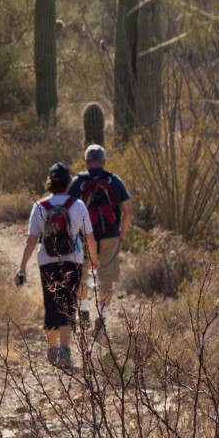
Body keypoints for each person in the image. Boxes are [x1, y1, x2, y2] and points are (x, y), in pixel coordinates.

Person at [16, 162, 97, 369]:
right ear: (68, 183)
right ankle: (66, 349)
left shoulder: (39, 206)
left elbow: (31, 241)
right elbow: (89, 237)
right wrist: (94, 259)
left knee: (51, 303)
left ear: (50, 182)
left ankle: (52, 349)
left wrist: (22, 268)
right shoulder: (78, 205)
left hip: (47, 261)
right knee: (68, 303)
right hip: (73, 259)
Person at [68, 144, 133, 341]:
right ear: (104, 162)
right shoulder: (114, 180)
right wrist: (122, 233)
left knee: (81, 275)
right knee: (107, 279)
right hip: (110, 235)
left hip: (84, 236)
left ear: (86, 162)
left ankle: (85, 312)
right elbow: (128, 210)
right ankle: (101, 320)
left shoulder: (78, 182)